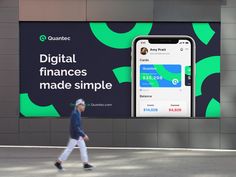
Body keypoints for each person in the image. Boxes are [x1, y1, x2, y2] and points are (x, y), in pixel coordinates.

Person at [54, 99, 93, 170]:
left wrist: (82, 134)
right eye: (83, 105)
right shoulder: (75, 114)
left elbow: (78, 126)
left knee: (83, 148)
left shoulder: (77, 113)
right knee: (69, 149)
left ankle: (85, 164)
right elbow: (76, 127)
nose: (84, 107)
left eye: (84, 105)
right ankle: (58, 163)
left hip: (78, 135)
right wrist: (83, 135)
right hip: (75, 136)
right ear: (78, 105)